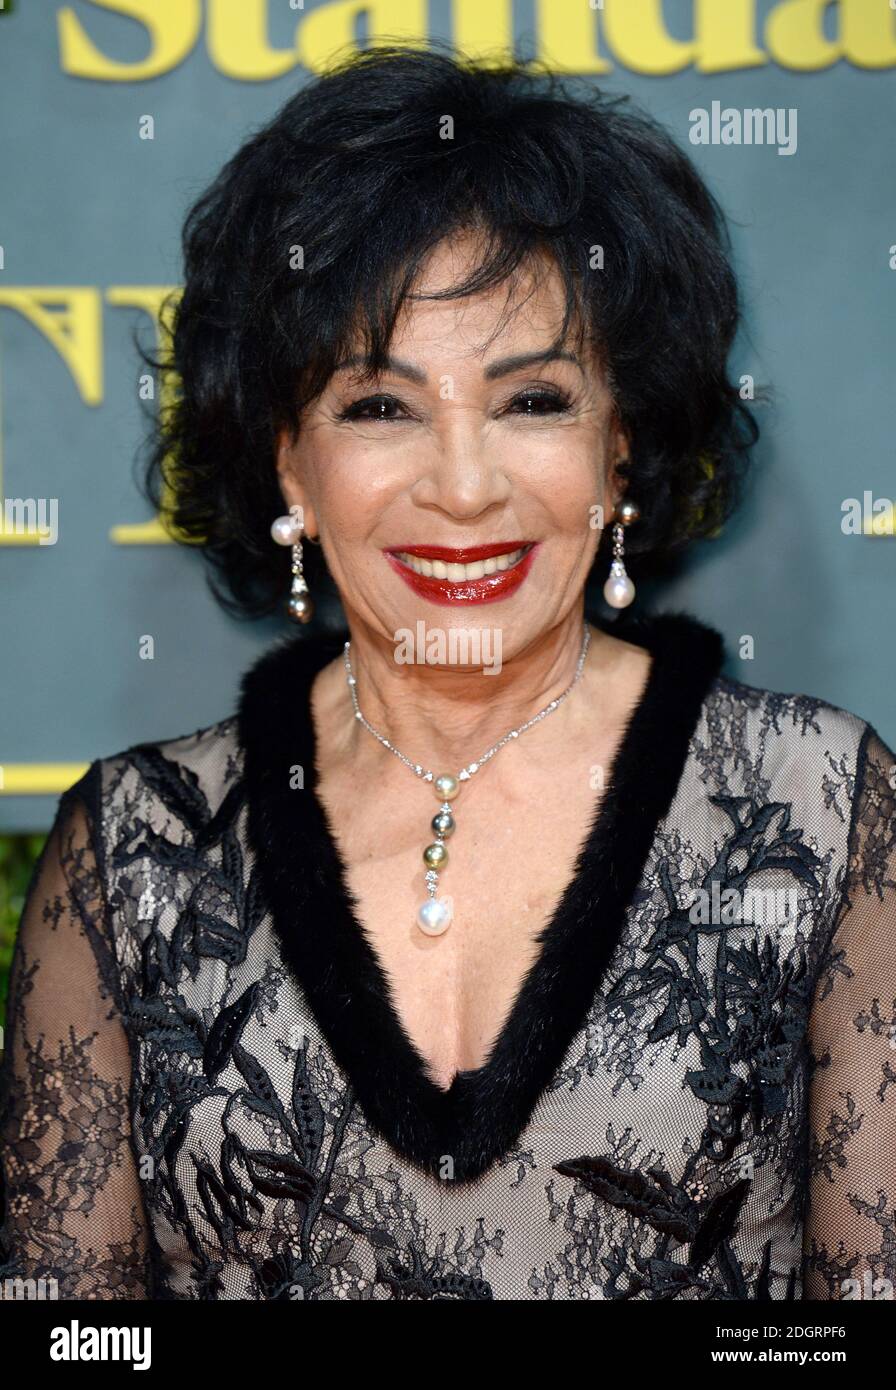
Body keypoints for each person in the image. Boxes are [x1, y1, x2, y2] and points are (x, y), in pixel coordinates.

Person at [1, 45, 893, 1302]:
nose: (463, 488)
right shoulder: (136, 851)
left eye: (533, 400)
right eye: (379, 407)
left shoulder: (817, 807)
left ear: (618, 450)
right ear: (289, 467)